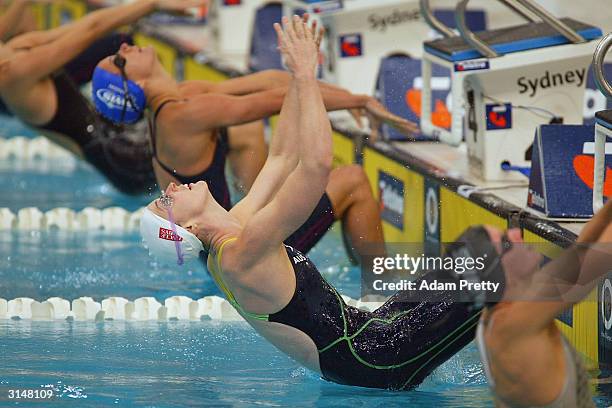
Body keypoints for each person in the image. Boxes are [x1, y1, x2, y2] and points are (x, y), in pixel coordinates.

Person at [140, 16, 513, 390]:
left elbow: (283, 156)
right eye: (165, 202)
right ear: (186, 230)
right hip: (376, 361)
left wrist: (296, 78)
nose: (170, 189)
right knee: (508, 266)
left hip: (374, 330)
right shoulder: (242, 254)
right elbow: (315, 165)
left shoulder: (235, 230)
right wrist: (305, 74)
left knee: (476, 245)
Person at [93, 14, 417, 260]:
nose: (123, 47)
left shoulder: (180, 100)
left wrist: (350, 96)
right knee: (353, 179)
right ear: (130, 85)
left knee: (249, 131)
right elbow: (279, 100)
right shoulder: (181, 116)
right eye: (120, 61)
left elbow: (271, 81)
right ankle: (381, 287)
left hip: (227, 245)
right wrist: (359, 101)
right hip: (244, 249)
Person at [0, 0, 206, 194]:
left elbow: (91, 23)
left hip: (128, 138)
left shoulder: (20, 47)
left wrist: (153, 5)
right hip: (125, 164)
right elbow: (92, 30)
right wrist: (153, 4)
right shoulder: (13, 73)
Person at [476, 200, 612, 408]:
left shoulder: (506, 307)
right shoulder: (517, 321)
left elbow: (581, 251)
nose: (514, 233)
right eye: (506, 242)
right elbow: (599, 259)